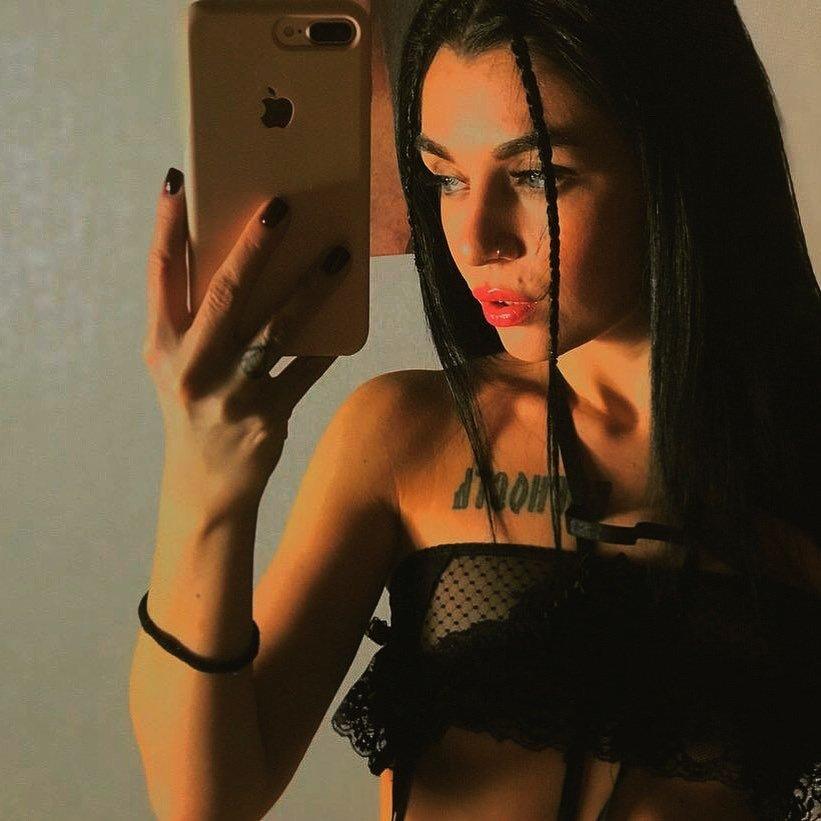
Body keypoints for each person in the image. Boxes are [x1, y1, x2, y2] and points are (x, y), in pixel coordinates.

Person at [129, 0, 821, 819]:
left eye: (537, 176)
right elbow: (204, 801)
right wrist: (202, 481)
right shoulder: (406, 434)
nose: (474, 238)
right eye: (447, 179)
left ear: (680, 160)